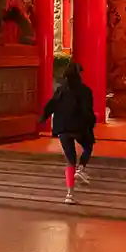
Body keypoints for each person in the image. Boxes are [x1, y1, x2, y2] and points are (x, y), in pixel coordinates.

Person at [39, 61, 96, 204]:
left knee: (70, 160)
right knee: (88, 145)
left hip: (62, 128)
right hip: (79, 127)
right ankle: (81, 168)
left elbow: (51, 105)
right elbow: (86, 111)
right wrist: (91, 123)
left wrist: (43, 118)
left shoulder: (60, 90)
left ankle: (69, 195)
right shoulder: (85, 91)